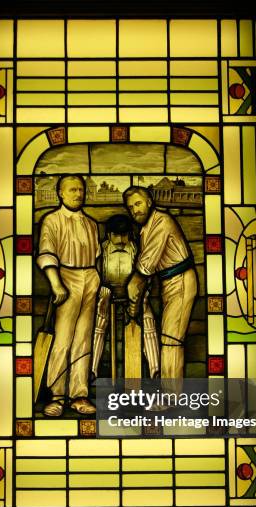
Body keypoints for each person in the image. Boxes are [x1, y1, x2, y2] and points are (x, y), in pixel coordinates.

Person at [36, 175, 100, 417]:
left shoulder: (91, 224)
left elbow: (97, 255)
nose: (78, 194)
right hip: (66, 277)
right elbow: (46, 252)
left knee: (84, 338)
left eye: (81, 190)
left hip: (90, 278)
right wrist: (56, 283)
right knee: (62, 338)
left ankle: (79, 394)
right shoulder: (52, 220)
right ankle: (57, 395)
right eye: (72, 190)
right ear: (60, 193)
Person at [123, 186, 197, 380]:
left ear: (149, 202)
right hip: (169, 283)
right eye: (130, 207)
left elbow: (146, 265)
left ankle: (171, 399)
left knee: (171, 341)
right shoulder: (146, 228)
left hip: (180, 281)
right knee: (169, 339)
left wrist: (134, 288)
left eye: (138, 204)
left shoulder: (162, 222)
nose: (135, 210)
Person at [91, 214, 159, 379]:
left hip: (135, 296)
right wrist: (101, 290)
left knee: (148, 320)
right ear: (109, 235)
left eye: (124, 235)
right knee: (99, 322)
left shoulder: (136, 249)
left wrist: (141, 295)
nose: (121, 239)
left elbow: (146, 277)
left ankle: (155, 369)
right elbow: (94, 273)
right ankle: (91, 369)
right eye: (116, 235)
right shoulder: (101, 250)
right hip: (107, 294)